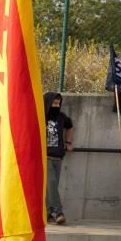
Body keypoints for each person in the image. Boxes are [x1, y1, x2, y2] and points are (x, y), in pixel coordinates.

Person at [44, 92, 74, 225]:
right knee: (51, 184)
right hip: (45, 157)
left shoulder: (62, 117)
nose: (56, 105)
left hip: (58, 157)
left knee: (52, 186)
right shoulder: (41, 116)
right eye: (54, 103)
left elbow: (70, 127)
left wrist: (68, 143)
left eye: (58, 103)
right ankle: (58, 212)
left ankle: (47, 213)